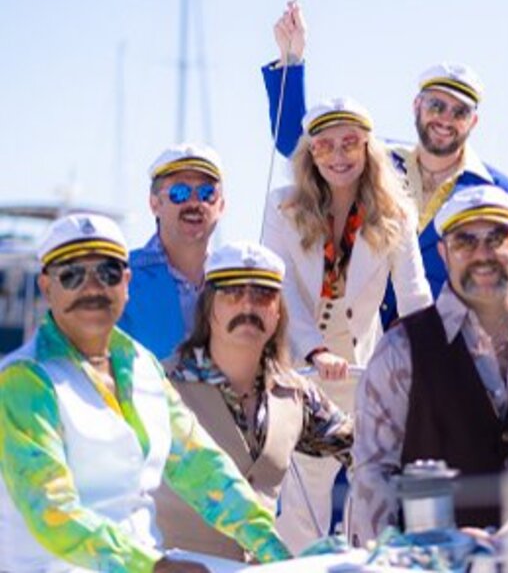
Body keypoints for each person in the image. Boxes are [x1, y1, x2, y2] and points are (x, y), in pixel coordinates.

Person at [0, 214, 291, 573]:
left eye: (107, 273)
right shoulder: (23, 380)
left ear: (126, 282)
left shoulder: (142, 366)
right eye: (72, 275)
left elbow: (202, 468)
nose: (92, 288)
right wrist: (153, 566)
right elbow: (49, 508)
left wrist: (276, 551)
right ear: (47, 287)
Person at [350, 185, 508, 544]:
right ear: (444, 253)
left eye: (497, 237)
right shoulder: (400, 350)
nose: (483, 254)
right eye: (465, 241)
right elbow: (374, 481)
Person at [263, 3, 508, 323]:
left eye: (460, 112)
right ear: (417, 106)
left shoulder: (501, 193)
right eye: (436, 105)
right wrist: (291, 58)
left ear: (474, 122)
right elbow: (299, 143)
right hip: (364, 347)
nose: (445, 119)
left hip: (444, 350)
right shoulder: (376, 161)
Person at [261, 97, 432, 551]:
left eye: (350, 144)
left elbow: (414, 295)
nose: (338, 156)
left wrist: (425, 359)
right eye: (326, 146)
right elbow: (281, 292)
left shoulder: (397, 212)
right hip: (304, 373)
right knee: (303, 505)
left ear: (367, 149)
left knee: (372, 500)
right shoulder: (281, 208)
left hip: (366, 373)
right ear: (310, 154)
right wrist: (315, 352)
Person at [154, 241, 353, 560]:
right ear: (209, 307)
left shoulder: (297, 394)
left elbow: (364, 450)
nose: (247, 307)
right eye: (233, 293)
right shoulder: (160, 385)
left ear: (278, 312)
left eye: (263, 295)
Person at [119, 143, 225, 360]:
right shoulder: (119, 279)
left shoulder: (235, 282)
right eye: (180, 193)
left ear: (221, 206)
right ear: (155, 204)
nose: (194, 203)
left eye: (206, 193)